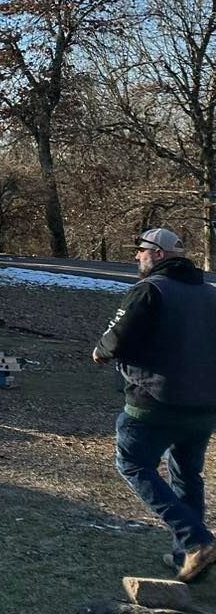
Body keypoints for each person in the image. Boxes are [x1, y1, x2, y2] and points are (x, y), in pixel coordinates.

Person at [93, 227, 216, 583]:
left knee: (132, 462)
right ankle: (189, 558)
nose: (136, 256)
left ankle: (195, 541)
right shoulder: (210, 295)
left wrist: (100, 352)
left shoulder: (150, 290)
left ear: (159, 254)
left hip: (156, 401)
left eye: (142, 250)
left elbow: (115, 339)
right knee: (186, 473)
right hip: (205, 404)